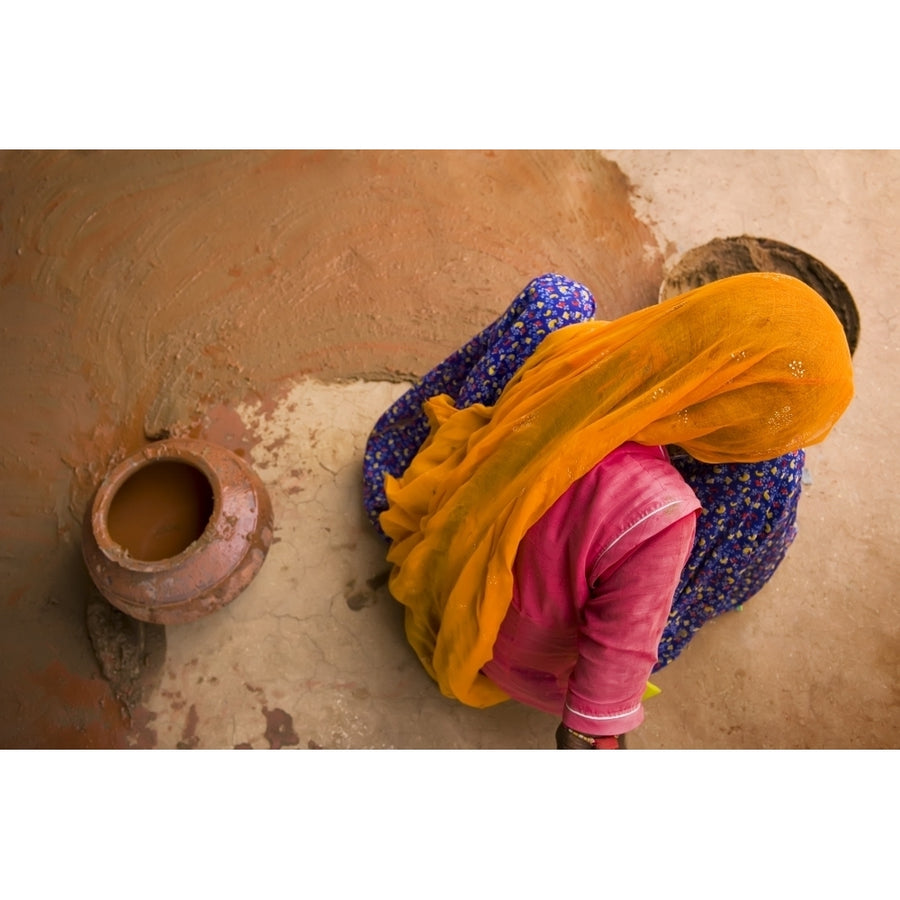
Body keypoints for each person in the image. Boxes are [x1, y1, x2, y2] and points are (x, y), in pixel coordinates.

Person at [362, 272, 854, 749]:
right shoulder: (661, 515)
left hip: (446, 541)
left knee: (556, 297)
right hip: (497, 651)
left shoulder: (576, 354)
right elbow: (600, 699)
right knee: (774, 476)